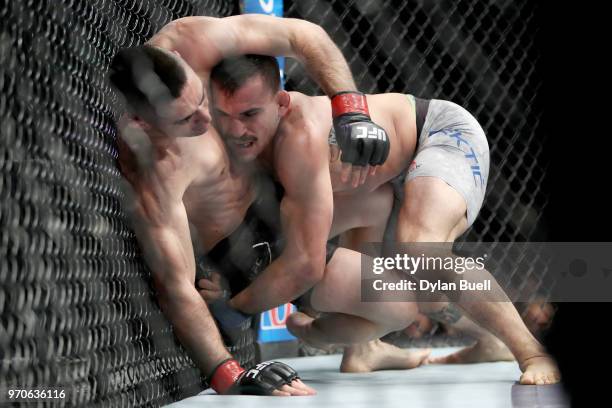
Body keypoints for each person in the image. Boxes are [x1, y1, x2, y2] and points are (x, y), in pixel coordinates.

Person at [206, 54, 560, 385]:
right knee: (408, 290)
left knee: (422, 251)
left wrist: (236, 307)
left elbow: (305, 265)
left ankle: (531, 352)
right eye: (228, 117)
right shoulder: (238, 140)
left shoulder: (299, 138)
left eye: (249, 114)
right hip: (378, 188)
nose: (236, 129)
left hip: (436, 136)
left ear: (279, 104)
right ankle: (365, 348)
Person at [109, 14, 389, 395]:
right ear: (143, 124)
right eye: (187, 119)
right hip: (244, 248)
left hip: (270, 198)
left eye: (202, 98)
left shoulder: (191, 41)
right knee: (400, 301)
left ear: (180, 57)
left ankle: (347, 340)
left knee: (381, 205)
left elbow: (304, 34)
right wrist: (229, 375)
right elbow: (175, 287)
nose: (208, 120)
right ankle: (321, 325)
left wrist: (350, 109)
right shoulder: (156, 169)